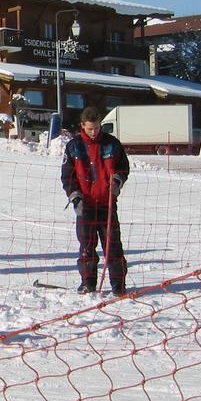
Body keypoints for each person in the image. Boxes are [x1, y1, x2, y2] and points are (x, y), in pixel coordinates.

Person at [61, 106, 130, 296]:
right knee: (87, 247)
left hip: (107, 204)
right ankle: (88, 283)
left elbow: (123, 167)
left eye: (97, 128)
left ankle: (119, 286)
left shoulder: (112, 144)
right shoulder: (74, 146)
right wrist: (74, 195)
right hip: (86, 206)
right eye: (90, 128)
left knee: (113, 246)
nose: (94, 132)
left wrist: (118, 180)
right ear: (83, 126)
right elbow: (68, 175)